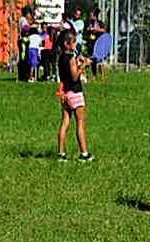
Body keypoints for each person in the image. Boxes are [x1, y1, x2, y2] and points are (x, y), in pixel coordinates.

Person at [55, 28, 92, 162]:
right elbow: (75, 77)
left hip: (65, 94)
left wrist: (79, 60)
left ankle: (61, 153)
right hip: (75, 93)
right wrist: (83, 66)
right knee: (80, 123)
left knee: (65, 123)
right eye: (74, 41)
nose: (76, 44)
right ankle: (84, 154)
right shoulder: (71, 58)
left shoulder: (61, 57)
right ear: (67, 43)